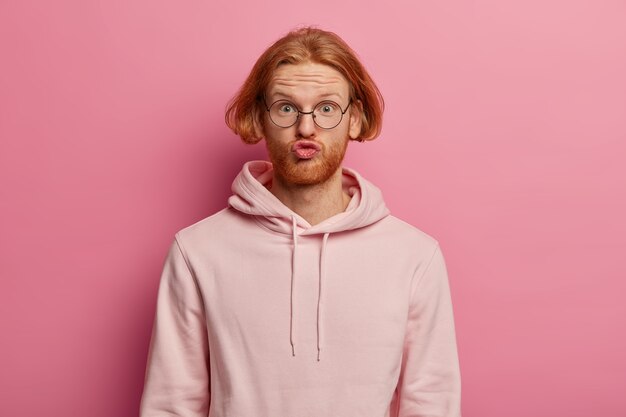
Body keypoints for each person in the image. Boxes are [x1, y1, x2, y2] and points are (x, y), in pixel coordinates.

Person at [139, 27, 461, 417]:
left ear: (354, 120)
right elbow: (171, 405)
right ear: (260, 118)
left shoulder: (415, 256)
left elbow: (432, 404)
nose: (306, 128)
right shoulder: (197, 251)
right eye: (286, 108)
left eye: (326, 108)